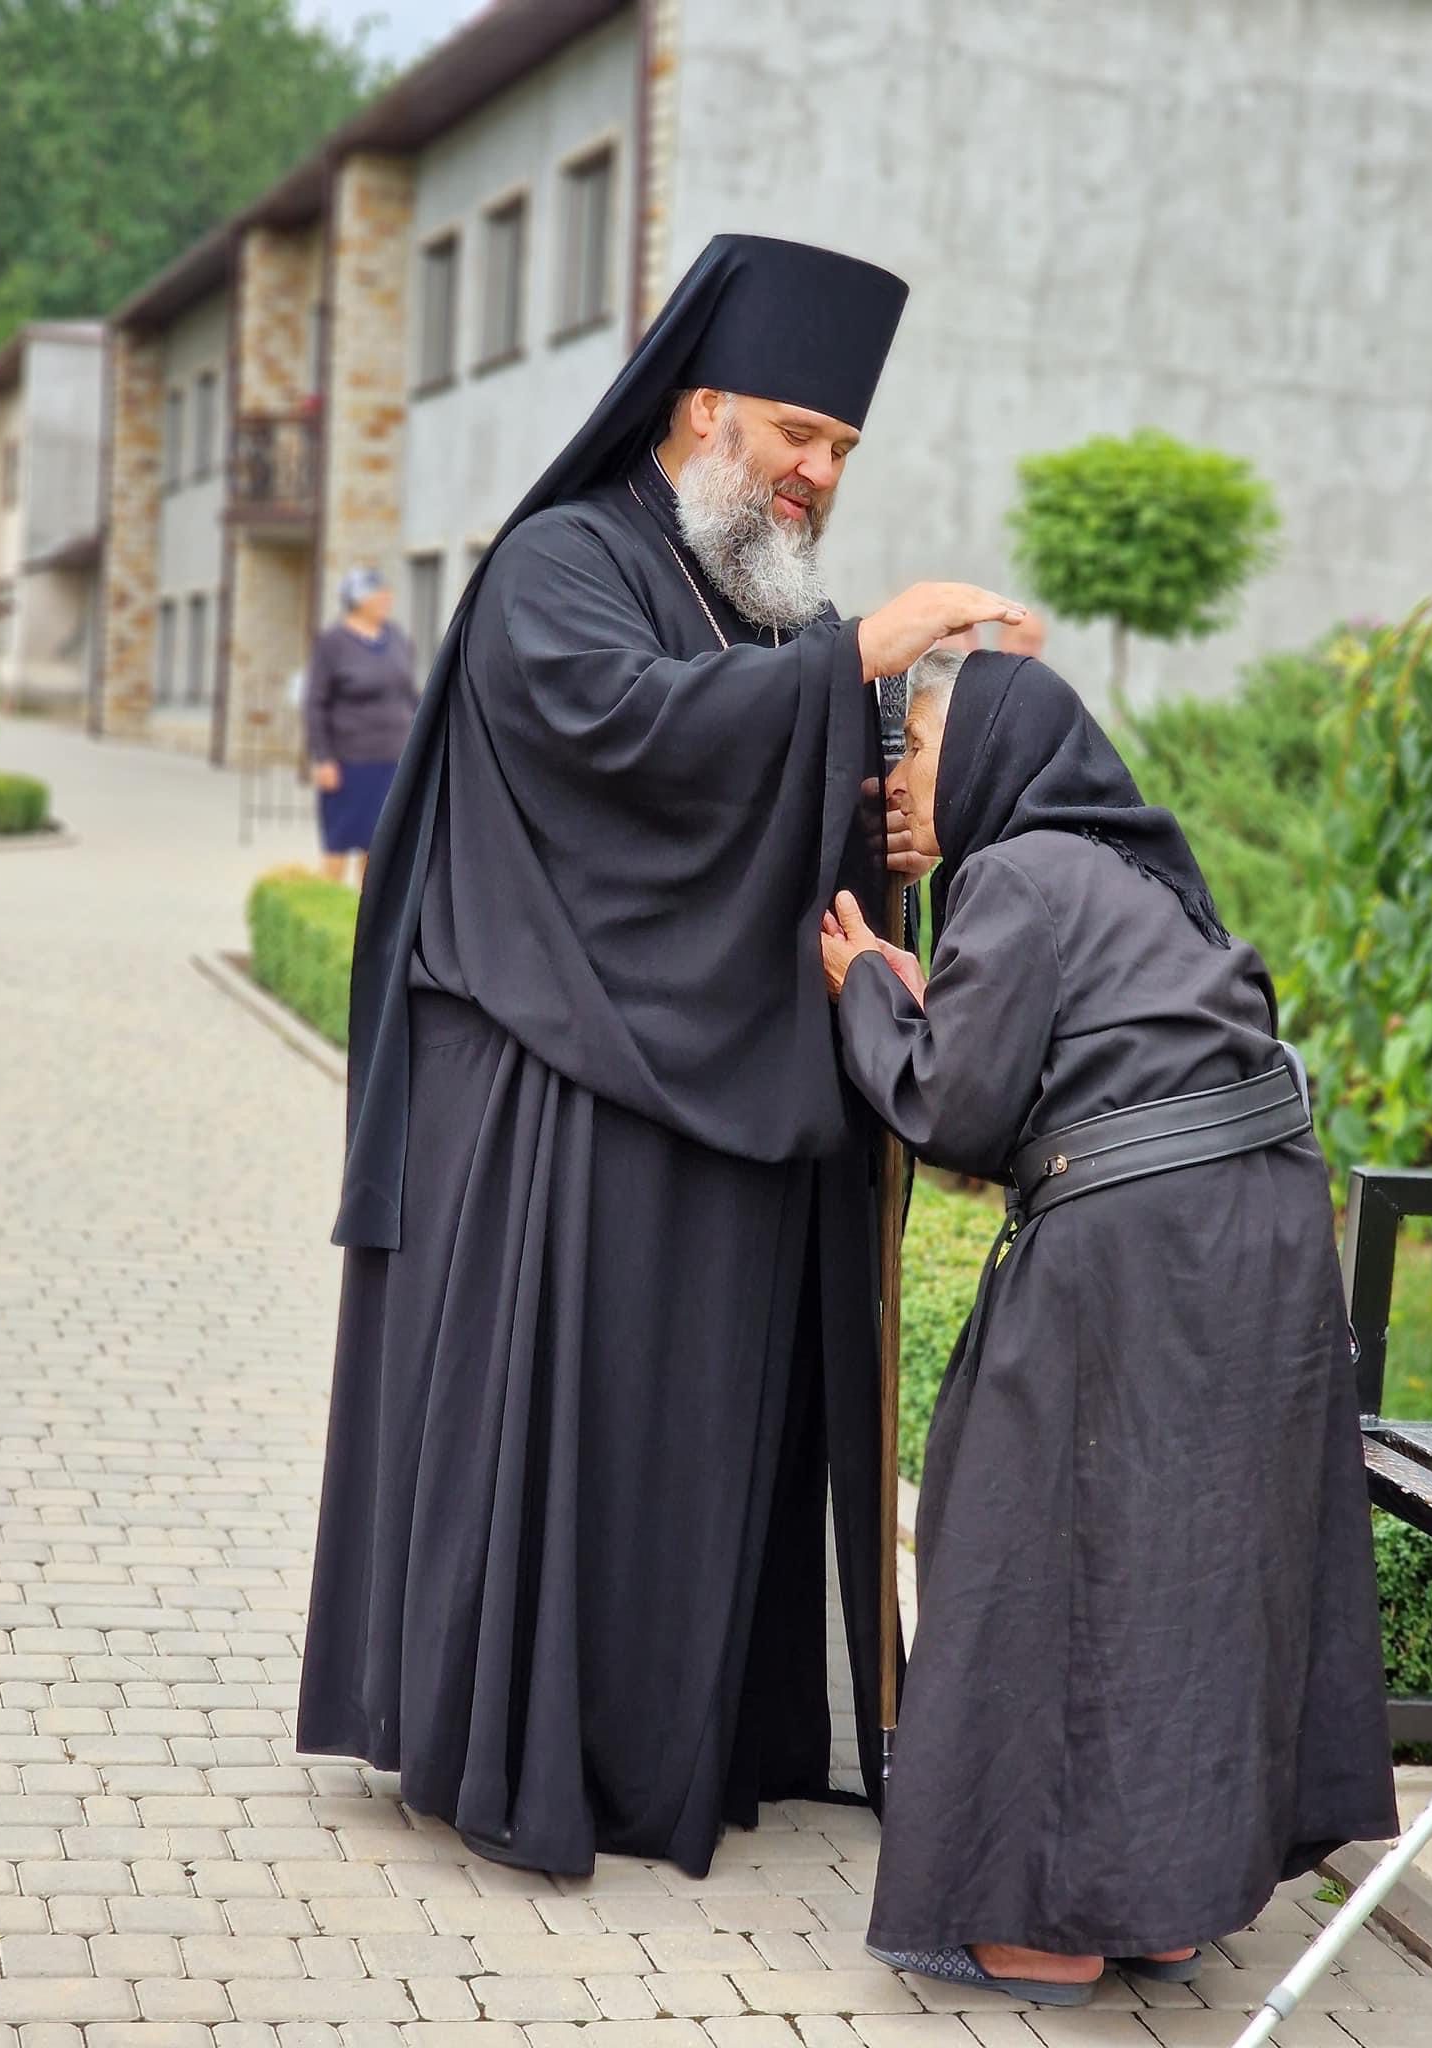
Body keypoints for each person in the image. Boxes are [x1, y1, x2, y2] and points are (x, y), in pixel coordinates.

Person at [297, 234, 1029, 1879]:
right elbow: (623, 739)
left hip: (707, 1097)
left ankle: (676, 1746)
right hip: (555, 1098)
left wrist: (900, 788)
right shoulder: (561, 561)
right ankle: (534, 1749)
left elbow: (777, 802)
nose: (818, 473)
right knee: (567, 1453)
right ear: (703, 410)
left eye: (841, 449)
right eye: (796, 433)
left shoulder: (763, 614)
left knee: (686, 1463)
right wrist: (852, 659)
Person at [819, 647, 1397, 2006]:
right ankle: (1170, 1907)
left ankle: (1046, 1925)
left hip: (1138, 1248)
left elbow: (958, 1109)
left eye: (920, 750)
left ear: (992, 753)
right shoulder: (1150, 878)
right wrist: (936, 995)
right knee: (1191, 1561)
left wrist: (868, 992)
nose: (899, 780)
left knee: (1034, 1541)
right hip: (1262, 1236)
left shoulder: (1014, 874)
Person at [304, 567, 419, 885]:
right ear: (357, 599)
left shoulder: (397, 638)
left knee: (379, 850)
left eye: (387, 592)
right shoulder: (332, 643)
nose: (387, 598)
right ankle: (328, 909)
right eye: (378, 593)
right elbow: (315, 704)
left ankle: (364, 915)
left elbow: (410, 695)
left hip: (393, 761)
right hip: (349, 763)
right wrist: (324, 758)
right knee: (338, 847)